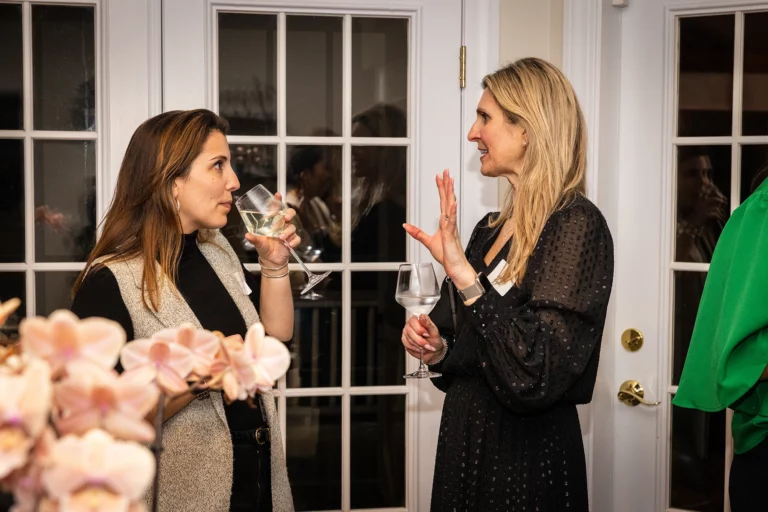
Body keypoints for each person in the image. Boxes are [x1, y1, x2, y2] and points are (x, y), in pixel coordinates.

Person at [401, 58, 614, 511]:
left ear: (527, 130)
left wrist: (463, 275)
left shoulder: (575, 226)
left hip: (526, 457)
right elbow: (471, 351)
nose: (472, 133)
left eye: (485, 118)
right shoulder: (487, 229)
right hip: (466, 440)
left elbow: (533, 372)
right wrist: (436, 349)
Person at [70, 109, 295, 512]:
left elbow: (275, 339)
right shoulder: (110, 283)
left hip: (260, 473)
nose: (234, 181)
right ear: (172, 179)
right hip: (187, 492)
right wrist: (200, 373)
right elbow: (105, 424)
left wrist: (275, 265)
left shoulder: (218, 252)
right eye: (217, 166)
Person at [673, 160, 768, 511]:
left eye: (709, 173)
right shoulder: (756, 214)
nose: (704, 182)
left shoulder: (718, 225)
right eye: (692, 172)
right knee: (687, 444)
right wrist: (694, 223)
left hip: (715, 352)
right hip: (682, 343)